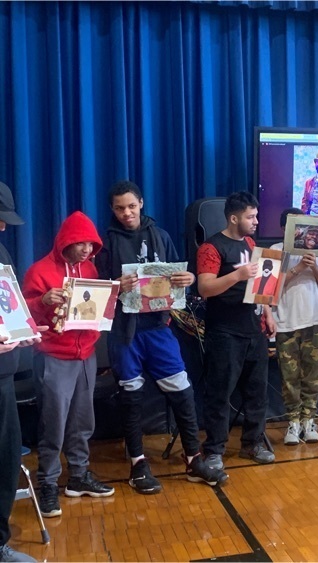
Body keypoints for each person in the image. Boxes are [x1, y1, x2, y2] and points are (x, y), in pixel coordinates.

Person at [97, 180, 227, 494]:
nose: (126, 213)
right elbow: (96, 291)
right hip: (124, 333)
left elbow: (179, 280)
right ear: (112, 210)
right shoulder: (106, 243)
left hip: (157, 328)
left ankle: (194, 457)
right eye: (119, 208)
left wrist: (190, 277)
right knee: (131, 396)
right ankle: (138, 463)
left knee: (182, 390)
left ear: (141, 203)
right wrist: (116, 286)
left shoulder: (161, 235)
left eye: (131, 206)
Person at [22, 211, 114, 519]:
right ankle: (47, 483)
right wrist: (42, 301)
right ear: (66, 241)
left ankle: (79, 475)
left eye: (91, 243)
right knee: (53, 424)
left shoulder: (89, 268)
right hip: (54, 357)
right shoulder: (40, 271)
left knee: (82, 421)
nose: (87, 249)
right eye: (81, 243)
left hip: (85, 355)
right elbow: (23, 315)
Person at [197, 192, 276, 468]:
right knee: (220, 392)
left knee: (257, 392)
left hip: (253, 328)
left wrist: (267, 311)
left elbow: (259, 286)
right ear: (234, 218)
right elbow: (205, 288)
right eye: (250, 217)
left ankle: (252, 444)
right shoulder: (212, 247)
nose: (256, 221)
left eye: (256, 215)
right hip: (225, 331)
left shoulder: (251, 243)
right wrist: (237, 275)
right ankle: (215, 449)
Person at [0, 181, 40, 562]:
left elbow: (8, 304)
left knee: (7, 456)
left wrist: (24, 328)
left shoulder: (1, 249)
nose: (2, 227)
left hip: (4, 376)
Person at [272, 208, 318, 445]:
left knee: (313, 374)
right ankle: (293, 422)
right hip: (285, 322)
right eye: (292, 225)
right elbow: (270, 288)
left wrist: (313, 265)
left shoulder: (314, 251)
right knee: (289, 376)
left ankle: (309, 420)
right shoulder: (275, 251)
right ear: (283, 228)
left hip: (313, 320)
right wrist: (296, 269)